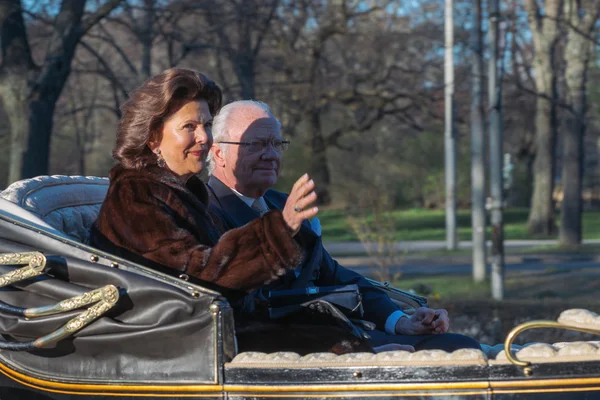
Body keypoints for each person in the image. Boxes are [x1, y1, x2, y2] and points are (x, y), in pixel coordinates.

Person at [90, 69, 372, 354]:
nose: (204, 138)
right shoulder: (136, 196)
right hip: (182, 348)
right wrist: (280, 230)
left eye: (207, 125)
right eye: (189, 127)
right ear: (153, 138)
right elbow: (201, 281)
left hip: (214, 331)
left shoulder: (180, 192)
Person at [207, 100, 480, 352]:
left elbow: (335, 277)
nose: (270, 155)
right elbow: (237, 300)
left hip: (341, 333)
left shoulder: (284, 203)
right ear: (219, 153)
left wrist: (401, 321)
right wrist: (357, 354)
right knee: (453, 351)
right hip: (294, 349)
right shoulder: (208, 211)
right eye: (256, 144)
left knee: (461, 346)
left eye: (276, 144)